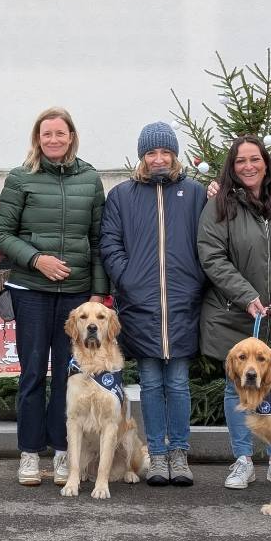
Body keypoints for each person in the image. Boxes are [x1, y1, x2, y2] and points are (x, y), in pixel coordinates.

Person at [0, 107, 109, 486]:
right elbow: (1, 233)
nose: (54, 140)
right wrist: (36, 259)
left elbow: (98, 239)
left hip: (76, 297)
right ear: (37, 139)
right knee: (31, 374)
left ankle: (62, 452)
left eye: (60, 133)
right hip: (31, 291)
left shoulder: (90, 179)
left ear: (71, 137)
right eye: (47, 134)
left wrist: (98, 292)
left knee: (67, 375)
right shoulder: (20, 177)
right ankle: (29, 453)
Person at [197, 135, 271, 489]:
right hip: (235, 313)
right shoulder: (219, 204)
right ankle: (243, 460)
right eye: (240, 161)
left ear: (266, 162)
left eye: (254, 159)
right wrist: (246, 295)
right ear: (232, 168)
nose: (248, 166)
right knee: (236, 387)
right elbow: (211, 256)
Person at [100, 121, 207, 487]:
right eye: (151, 152)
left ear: (174, 155)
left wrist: (195, 281)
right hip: (140, 306)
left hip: (182, 304)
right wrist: (128, 278)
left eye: (165, 152)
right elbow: (110, 243)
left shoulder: (195, 194)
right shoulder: (122, 195)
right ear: (142, 157)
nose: (158, 158)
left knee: (177, 383)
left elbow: (208, 241)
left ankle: (179, 452)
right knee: (149, 382)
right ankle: (156, 455)